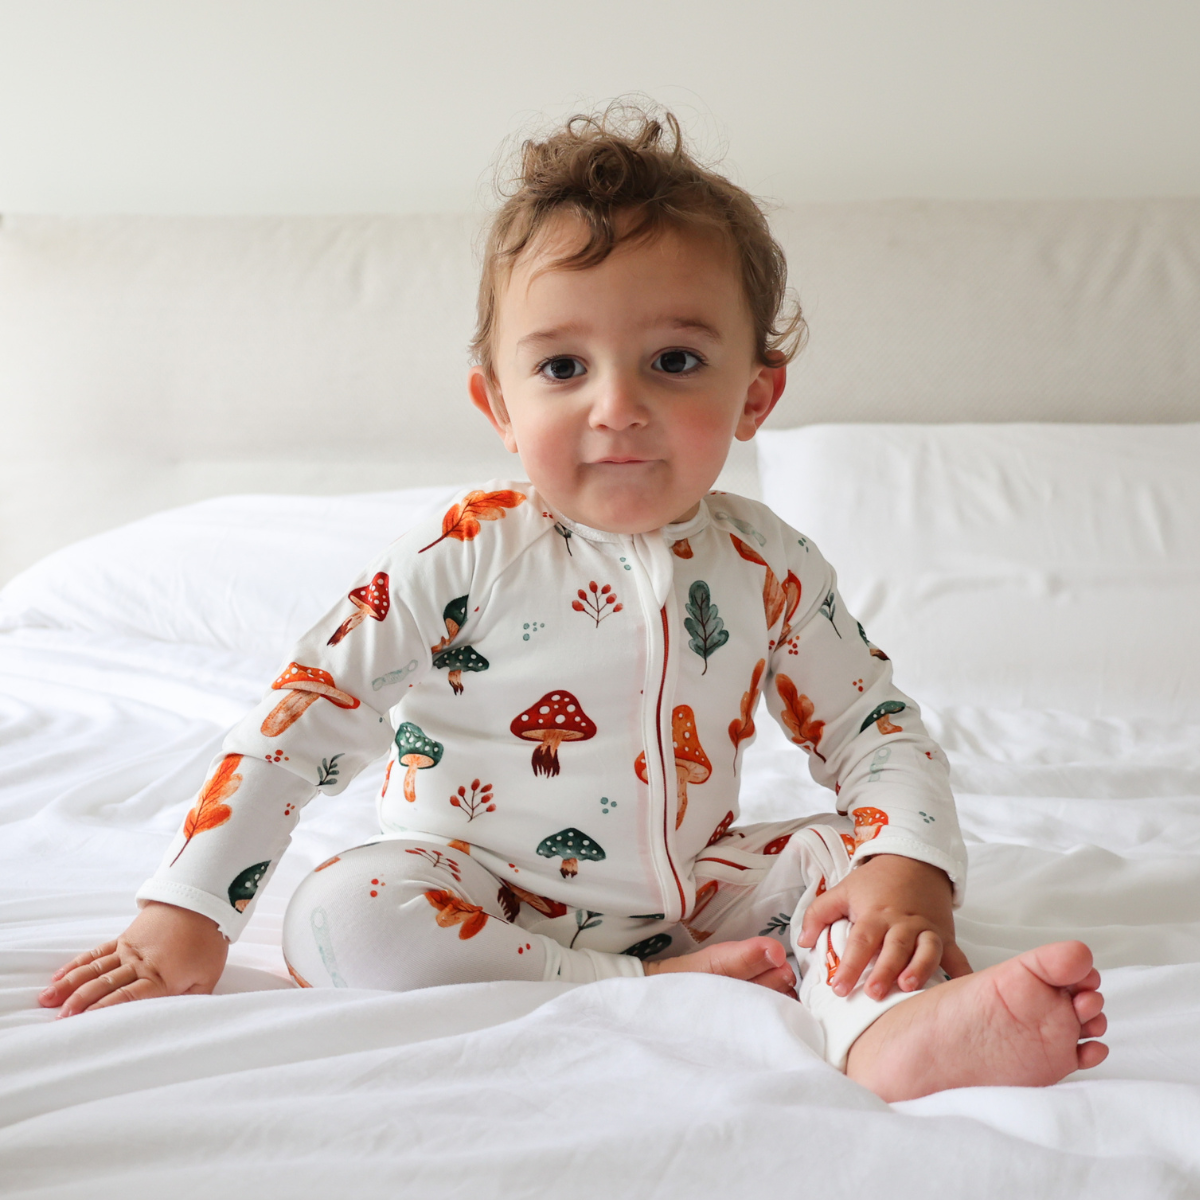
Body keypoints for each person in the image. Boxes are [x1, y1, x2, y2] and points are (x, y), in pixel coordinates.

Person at [39, 105, 1107, 1102]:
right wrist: (187, 908)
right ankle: (642, 987)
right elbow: (303, 718)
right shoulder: (462, 556)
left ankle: (889, 1028)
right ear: (498, 405)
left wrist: (907, 871)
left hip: (696, 893)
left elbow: (873, 728)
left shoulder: (767, 562)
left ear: (755, 394)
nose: (618, 406)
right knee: (340, 913)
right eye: (562, 366)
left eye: (674, 360)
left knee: (846, 865)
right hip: (479, 894)